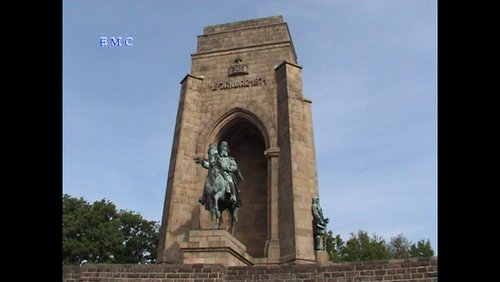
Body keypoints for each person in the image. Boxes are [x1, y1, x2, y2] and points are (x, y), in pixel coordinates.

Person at [217, 141, 243, 206]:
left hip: (226, 174)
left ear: (227, 150)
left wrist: (228, 168)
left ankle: (233, 196)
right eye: (222, 148)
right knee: (208, 183)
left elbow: (235, 167)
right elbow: (211, 165)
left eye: (225, 148)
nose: (223, 149)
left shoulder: (230, 159)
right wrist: (203, 163)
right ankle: (204, 197)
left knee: (230, 181)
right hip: (218, 174)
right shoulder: (218, 159)